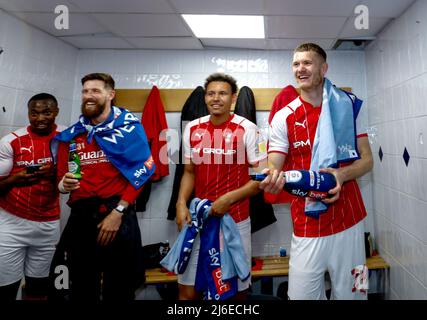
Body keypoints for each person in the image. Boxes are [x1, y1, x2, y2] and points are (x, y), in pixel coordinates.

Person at [260, 43, 373, 300]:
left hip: (351, 222)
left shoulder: (349, 106)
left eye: (307, 63)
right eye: (296, 64)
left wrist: (341, 175)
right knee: (300, 296)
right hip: (307, 223)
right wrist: (272, 177)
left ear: (323, 68)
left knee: (357, 292)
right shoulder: (283, 117)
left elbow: (367, 161)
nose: (300, 69)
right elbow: (274, 165)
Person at [52, 73, 155, 301]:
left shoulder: (129, 129)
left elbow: (142, 172)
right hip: (80, 217)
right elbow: (60, 180)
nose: (89, 96)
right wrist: (63, 184)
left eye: (95, 91)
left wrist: (118, 212)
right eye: (85, 91)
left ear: (111, 94)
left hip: (116, 213)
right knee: (78, 285)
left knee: (119, 288)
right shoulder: (72, 135)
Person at [175, 73, 267, 300]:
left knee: (236, 291)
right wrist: (180, 204)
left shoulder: (250, 129)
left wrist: (229, 199)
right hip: (199, 221)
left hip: (236, 220)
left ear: (233, 98)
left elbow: (260, 179)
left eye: (223, 93)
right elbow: (188, 172)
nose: (216, 98)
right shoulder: (192, 129)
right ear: (205, 97)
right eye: (211, 93)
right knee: (188, 291)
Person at [0, 93, 63, 300]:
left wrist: (57, 172)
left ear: (56, 112)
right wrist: (14, 180)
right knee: (7, 287)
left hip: (48, 224)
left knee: (38, 288)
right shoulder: (11, 141)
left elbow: (81, 177)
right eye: (34, 113)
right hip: (11, 224)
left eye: (46, 112)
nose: (40, 118)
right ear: (28, 114)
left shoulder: (67, 138)